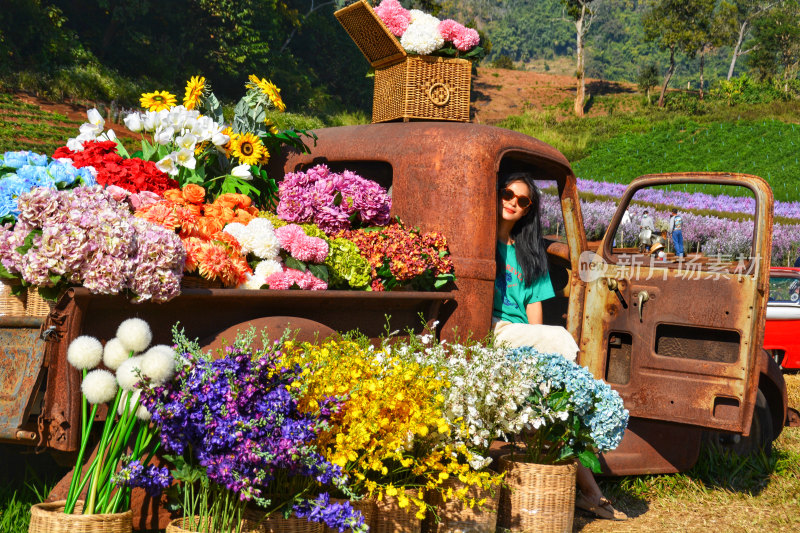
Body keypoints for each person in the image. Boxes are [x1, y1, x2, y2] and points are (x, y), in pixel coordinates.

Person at [493, 171, 627, 521]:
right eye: (508, 194)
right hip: (492, 328)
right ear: (497, 193)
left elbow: (533, 314)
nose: (513, 203)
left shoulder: (527, 252)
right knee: (563, 342)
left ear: (528, 210)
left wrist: (536, 355)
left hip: (519, 334)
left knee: (552, 388)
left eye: (523, 201)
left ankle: (588, 489)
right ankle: (592, 488)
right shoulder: (480, 241)